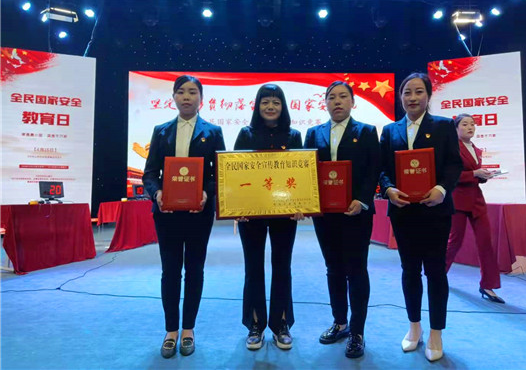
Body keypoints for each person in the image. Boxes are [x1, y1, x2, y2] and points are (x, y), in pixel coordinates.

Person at [379, 73, 462, 362]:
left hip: (436, 211)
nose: (412, 98)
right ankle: (414, 327)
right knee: (410, 270)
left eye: (418, 92)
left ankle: (436, 331)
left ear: (428, 95)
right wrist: (388, 189)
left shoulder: (443, 125)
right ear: (400, 97)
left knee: (436, 271)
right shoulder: (390, 130)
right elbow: (383, 168)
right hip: (403, 212)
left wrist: (441, 189)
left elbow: (454, 164)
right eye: (407, 92)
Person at [143, 75, 225, 359]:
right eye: (181, 92)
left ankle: (188, 329)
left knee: (194, 269)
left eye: (192, 92)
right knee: (170, 271)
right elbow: (150, 173)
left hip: (198, 213)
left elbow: (219, 173)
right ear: (174, 97)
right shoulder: (161, 131)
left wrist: (205, 193)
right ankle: (170, 331)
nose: (187, 97)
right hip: (166, 213)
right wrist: (156, 193)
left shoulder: (213, 132)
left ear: (201, 98)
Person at [304, 81, 381, 359]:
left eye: (343, 97)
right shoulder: (313, 133)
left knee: (356, 270)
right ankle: (340, 322)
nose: (337, 101)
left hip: (356, 213)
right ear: (325, 103)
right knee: (333, 268)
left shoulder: (367, 131)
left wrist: (362, 200)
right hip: (325, 215)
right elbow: (306, 171)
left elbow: (374, 169)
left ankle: (357, 331)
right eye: (332, 97)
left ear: (352, 102)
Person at [234, 84, 304, 351]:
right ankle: (255, 325)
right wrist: (237, 206)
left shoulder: (294, 135)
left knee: (282, 266)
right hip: (251, 214)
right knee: (253, 267)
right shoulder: (246, 134)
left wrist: (302, 204)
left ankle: (281, 324)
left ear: (283, 106)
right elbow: (235, 173)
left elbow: (301, 175)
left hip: (285, 214)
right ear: (258, 106)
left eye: (276, 102)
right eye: (265, 102)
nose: (270, 107)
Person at [446, 113, 504, 303]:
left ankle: (488, 285)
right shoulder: (452, 148)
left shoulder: (477, 149)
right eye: (465, 124)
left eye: (472, 124)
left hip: (477, 200)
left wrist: (484, 175)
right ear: (456, 128)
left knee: (486, 242)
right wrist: (474, 173)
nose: (470, 127)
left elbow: (475, 176)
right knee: (454, 241)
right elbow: (450, 176)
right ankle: (438, 273)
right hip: (458, 200)